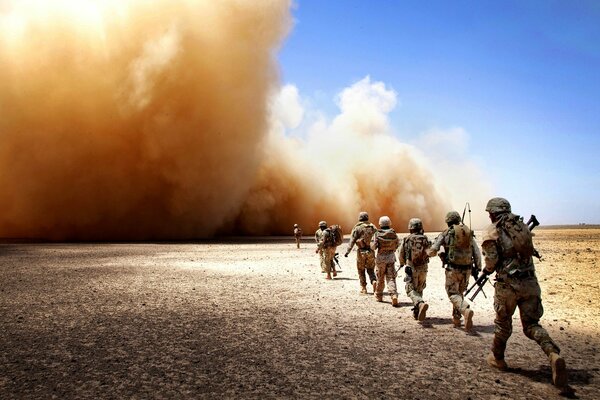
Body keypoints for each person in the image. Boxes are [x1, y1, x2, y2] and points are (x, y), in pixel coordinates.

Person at [481, 197, 567, 389]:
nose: (489, 215)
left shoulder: (493, 230)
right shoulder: (522, 228)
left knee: (503, 325)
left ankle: (498, 359)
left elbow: (491, 262)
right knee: (532, 325)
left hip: (508, 286)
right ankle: (553, 354)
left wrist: (486, 270)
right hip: (530, 283)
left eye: (489, 212)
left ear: (493, 213)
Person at [428, 211, 481, 330]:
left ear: (448, 221)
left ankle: (465, 310)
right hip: (467, 269)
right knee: (459, 294)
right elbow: (476, 251)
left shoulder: (446, 233)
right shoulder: (467, 233)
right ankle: (457, 319)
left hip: (453, 269)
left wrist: (427, 254)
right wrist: (478, 267)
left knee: (452, 293)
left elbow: (433, 249)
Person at [398, 218, 431, 321]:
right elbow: (430, 252)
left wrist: (402, 263)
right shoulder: (425, 239)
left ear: (410, 228)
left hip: (411, 268)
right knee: (419, 289)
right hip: (423, 268)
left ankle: (420, 304)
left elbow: (401, 254)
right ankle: (417, 313)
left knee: (410, 289)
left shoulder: (407, 239)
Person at [344, 211, 377, 294]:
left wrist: (347, 251)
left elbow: (352, 240)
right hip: (371, 251)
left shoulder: (357, 227)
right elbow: (377, 238)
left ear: (360, 218)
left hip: (361, 252)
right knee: (370, 269)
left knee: (361, 270)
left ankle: (363, 288)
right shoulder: (373, 227)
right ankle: (373, 281)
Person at [370, 216, 400, 306]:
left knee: (380, 277)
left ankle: (379, 295)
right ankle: (394, 295)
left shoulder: (377, 234)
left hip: (380, 259)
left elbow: (373, 247)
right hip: (391, 258)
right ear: (389, 223)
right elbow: (397, 244)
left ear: (380, 224)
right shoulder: (393, 233)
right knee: (391, 277)